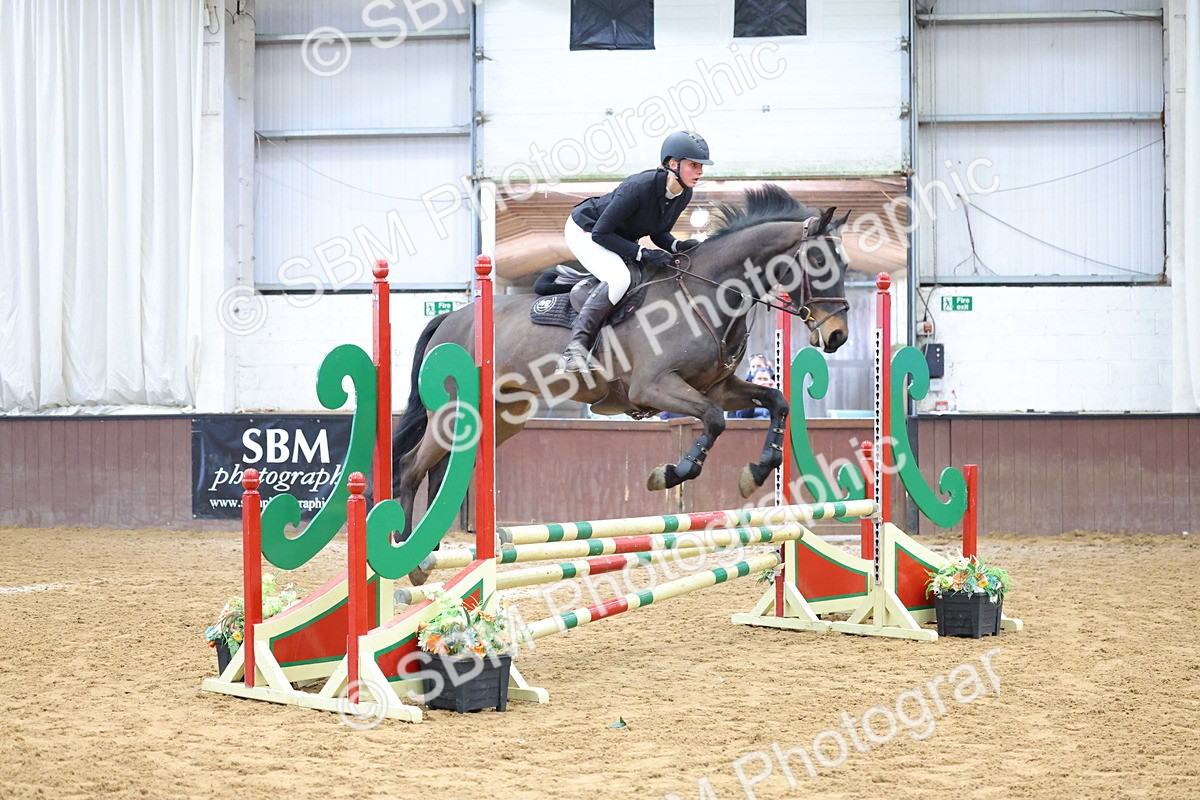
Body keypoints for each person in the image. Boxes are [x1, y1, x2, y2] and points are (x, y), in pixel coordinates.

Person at [555, 130, 713, 373]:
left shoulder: (684, 193)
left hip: (612, 236)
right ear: (673, 164)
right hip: (585, 230)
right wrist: (643, 253)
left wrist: (677, 246)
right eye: (694, 165)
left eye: (701, 166)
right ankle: (574, 351)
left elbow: (659, 232)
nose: (700, 171)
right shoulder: (639, 187)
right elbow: (601, 233)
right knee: (619, 278)